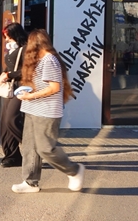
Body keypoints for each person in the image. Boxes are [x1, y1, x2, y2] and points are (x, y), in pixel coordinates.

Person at [12, 29, 85, 193]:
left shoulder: (49, 60)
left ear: (35, 43)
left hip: (46, 111)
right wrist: (28, 93)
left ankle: (74, 170)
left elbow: (54, 88)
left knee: (45, 148)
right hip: (33, 108)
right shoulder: (41, 60)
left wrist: (30, 96)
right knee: (30, 148)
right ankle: (30, 182)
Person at [0, 22, 28, 167]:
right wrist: (2, 76)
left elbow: (27, 70)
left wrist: (8, 75)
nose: (7, 40)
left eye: (8, 37)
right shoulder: (13, 50)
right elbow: (9, 67)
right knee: (4, 124)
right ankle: (12, 156)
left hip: (22, 87)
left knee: (11, 119)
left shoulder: (27, 49)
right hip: (11, 88)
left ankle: (35, 147)